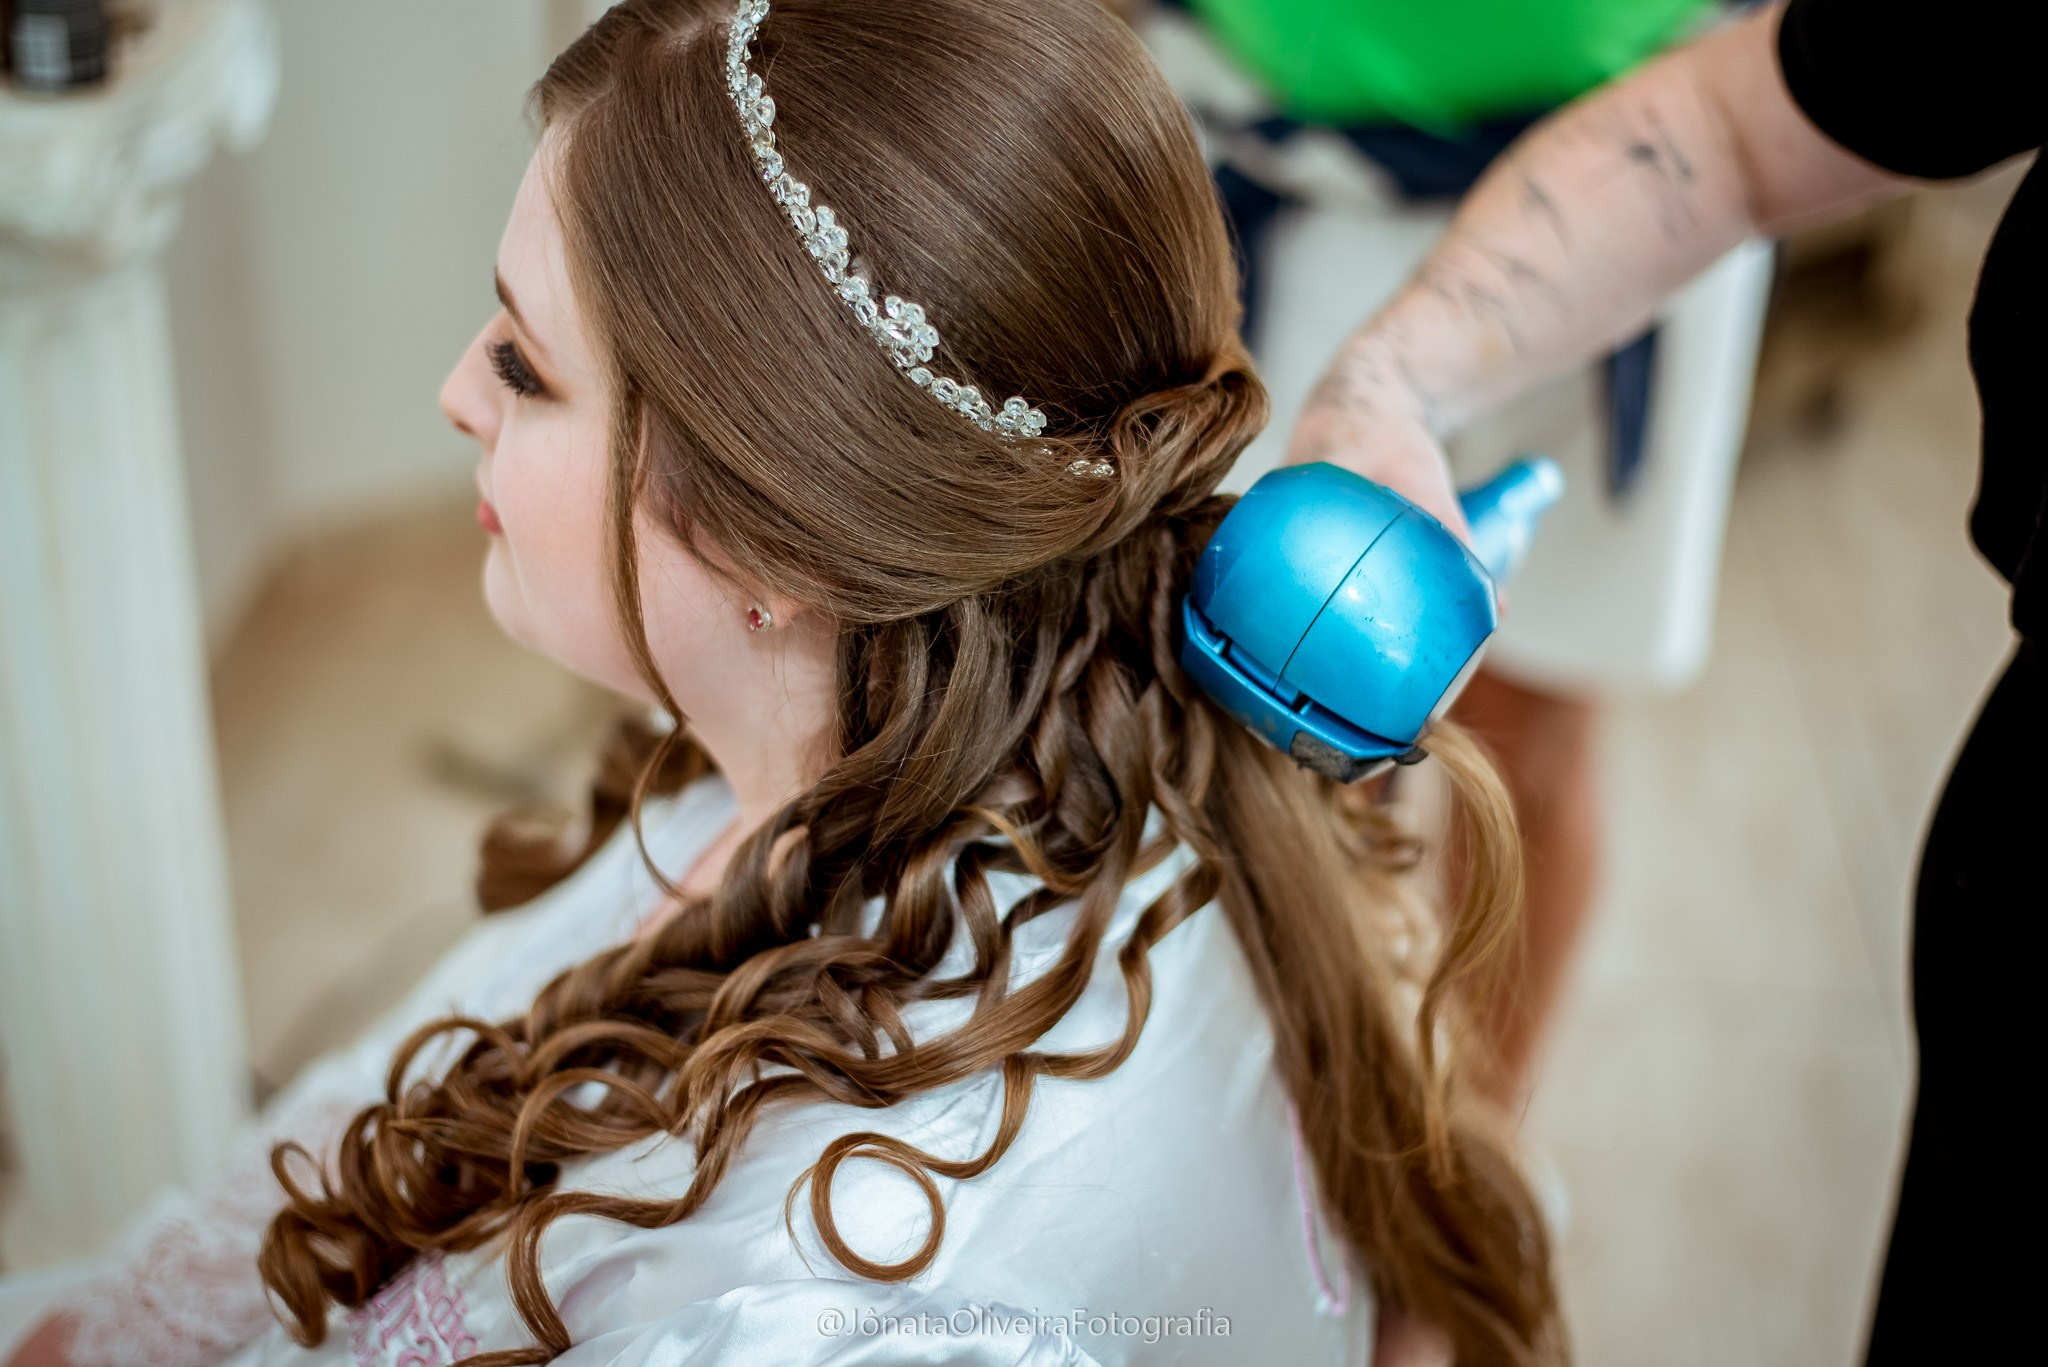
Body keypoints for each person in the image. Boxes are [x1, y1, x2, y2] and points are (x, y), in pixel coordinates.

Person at [1, 1, 1565, 1364]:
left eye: (528, 367)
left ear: (779, 541)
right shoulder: (962, 738)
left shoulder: (820, 1299)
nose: (455, 390)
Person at [1279, 0, 2041, 1359]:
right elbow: (1751, 121)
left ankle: (1455, 1206)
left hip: (1622, 87)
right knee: (1278, 752)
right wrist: (1387, 375)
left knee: (1531, 744)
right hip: (1285, 110)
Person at [1134, 0, 1777, 1106]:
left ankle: (1472, 1149)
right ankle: (1315, 1124)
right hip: (1268, 129)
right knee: (1274, 759)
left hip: (1657, 147)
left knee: (1525, 742)